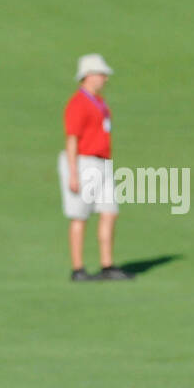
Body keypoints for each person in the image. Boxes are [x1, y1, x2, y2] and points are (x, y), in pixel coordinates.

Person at [58, 53, 133, 281]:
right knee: (80, 216)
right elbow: (72, 139)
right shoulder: (78, 104)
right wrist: (73, 173)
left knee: (109, 212)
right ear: (88, 76)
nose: (105, 79)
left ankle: (107, 265)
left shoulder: (100, 102)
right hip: (83, 162)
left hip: (102, 162)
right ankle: (78, 268)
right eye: (101, 74)